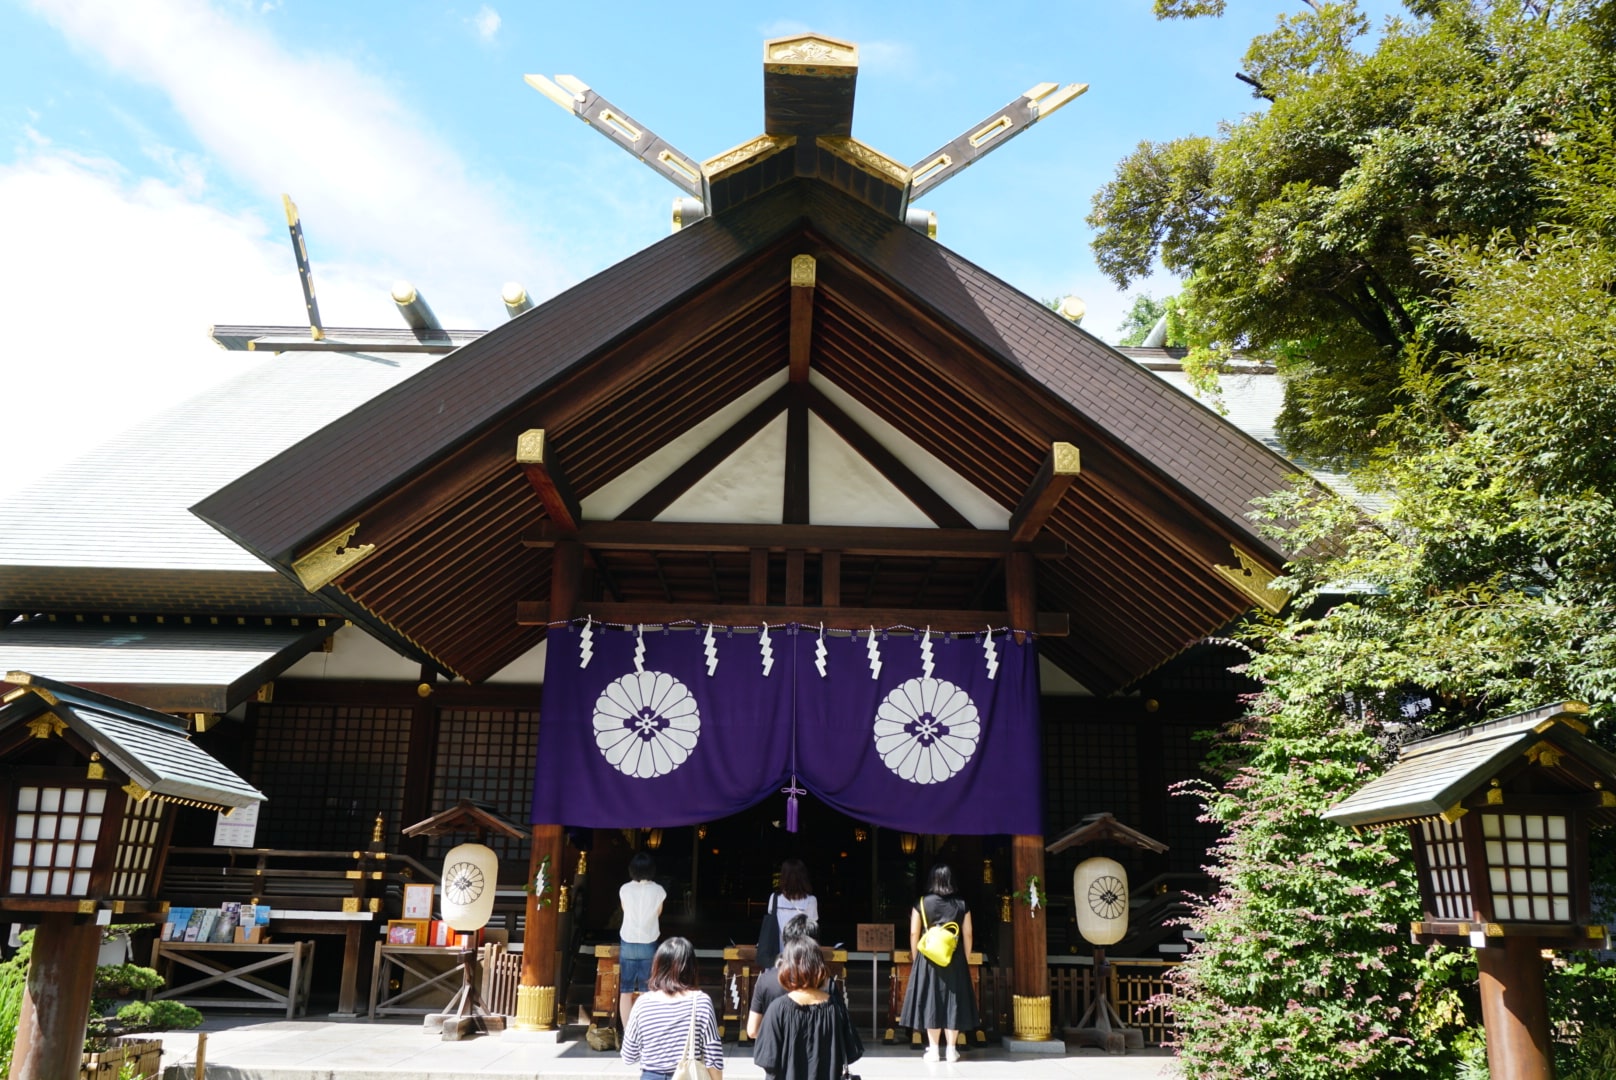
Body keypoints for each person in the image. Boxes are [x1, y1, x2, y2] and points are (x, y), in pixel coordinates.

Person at [752, 938, 864, 1080]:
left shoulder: (777, 1009)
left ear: (788, 967)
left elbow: (768, 1061)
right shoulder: (836, 1009)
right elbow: (850, 1052)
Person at [899, 862, 977, 1062]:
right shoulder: (962, 904)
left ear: (932, 879)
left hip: (928, 959)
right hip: (955, 958)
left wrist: (917, 958)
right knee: (954, 1001)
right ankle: (951, 1049)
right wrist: (965, 958)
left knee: (931, 1001)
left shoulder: (922, 902)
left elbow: (914, 932)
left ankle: (933, 1049)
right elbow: (967, 934)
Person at [620, 936, 724, 1080]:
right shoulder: (700, 1001)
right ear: (692, 968)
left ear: (657, 966)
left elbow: (628, 1056)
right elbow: (714, 1058)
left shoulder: (642, 1003)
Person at [747, 914, 821, 1038]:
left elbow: (752, 1030)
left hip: (776, 1053)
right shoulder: (824, 982)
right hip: (812, 1054)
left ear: (786, 941)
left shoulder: (766, 981)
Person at [619, 851, 666, 1028]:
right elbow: (658, 913)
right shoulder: (658, 890)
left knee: (626, 990)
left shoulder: (624, 889)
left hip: (628, 941)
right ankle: (646, 1031)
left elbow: (625, 910)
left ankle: (628, 1032)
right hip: (648, 941)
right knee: (648, 991)